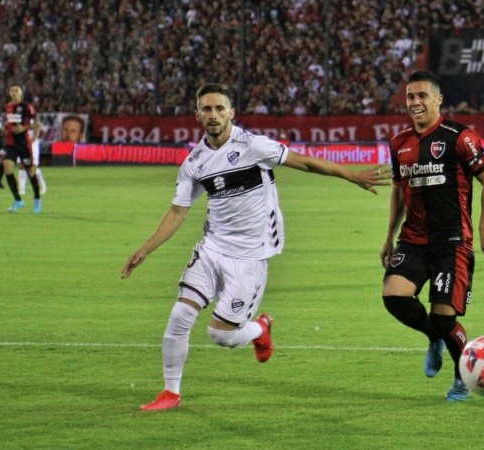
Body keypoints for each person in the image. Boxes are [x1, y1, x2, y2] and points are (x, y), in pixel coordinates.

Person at [121, 83, 391, 412]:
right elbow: (178, 210)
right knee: (180, 314)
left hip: (249, 255)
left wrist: (350, 174)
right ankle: (170, 393)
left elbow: (303, 162)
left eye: (220, 108)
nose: (213, 114)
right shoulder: (194, 163)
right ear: (197, 115)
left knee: (220, 336)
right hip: (212, 247)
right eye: (206, 109)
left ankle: (260, 328)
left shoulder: (253, 146)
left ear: (231, 113)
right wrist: (145, 249)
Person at [380, 71, 484, 402]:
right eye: (410, 97)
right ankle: (433, 338)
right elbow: (398, 191)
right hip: (413, 239)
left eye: (422, 96)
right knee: (394, 297)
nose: (415, 102)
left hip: (453, 243)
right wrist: (389, 236)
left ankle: (461, 377)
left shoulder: (460, 137)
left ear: (438, 99)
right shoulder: (399, 143)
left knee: (443, 316)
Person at [1, 84, 42, 213]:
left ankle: (37, 199)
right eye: (11, 90)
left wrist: (23, 128)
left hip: (24, 144)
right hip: (10, 143)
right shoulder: (7, 107)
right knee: (7, 168)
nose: (13, 92)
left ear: (21, 93)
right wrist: (5, 128)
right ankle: (18, 200)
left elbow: (38, 124)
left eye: (16, 90)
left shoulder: (27, 107)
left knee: (30, 172)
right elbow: (8, 123)